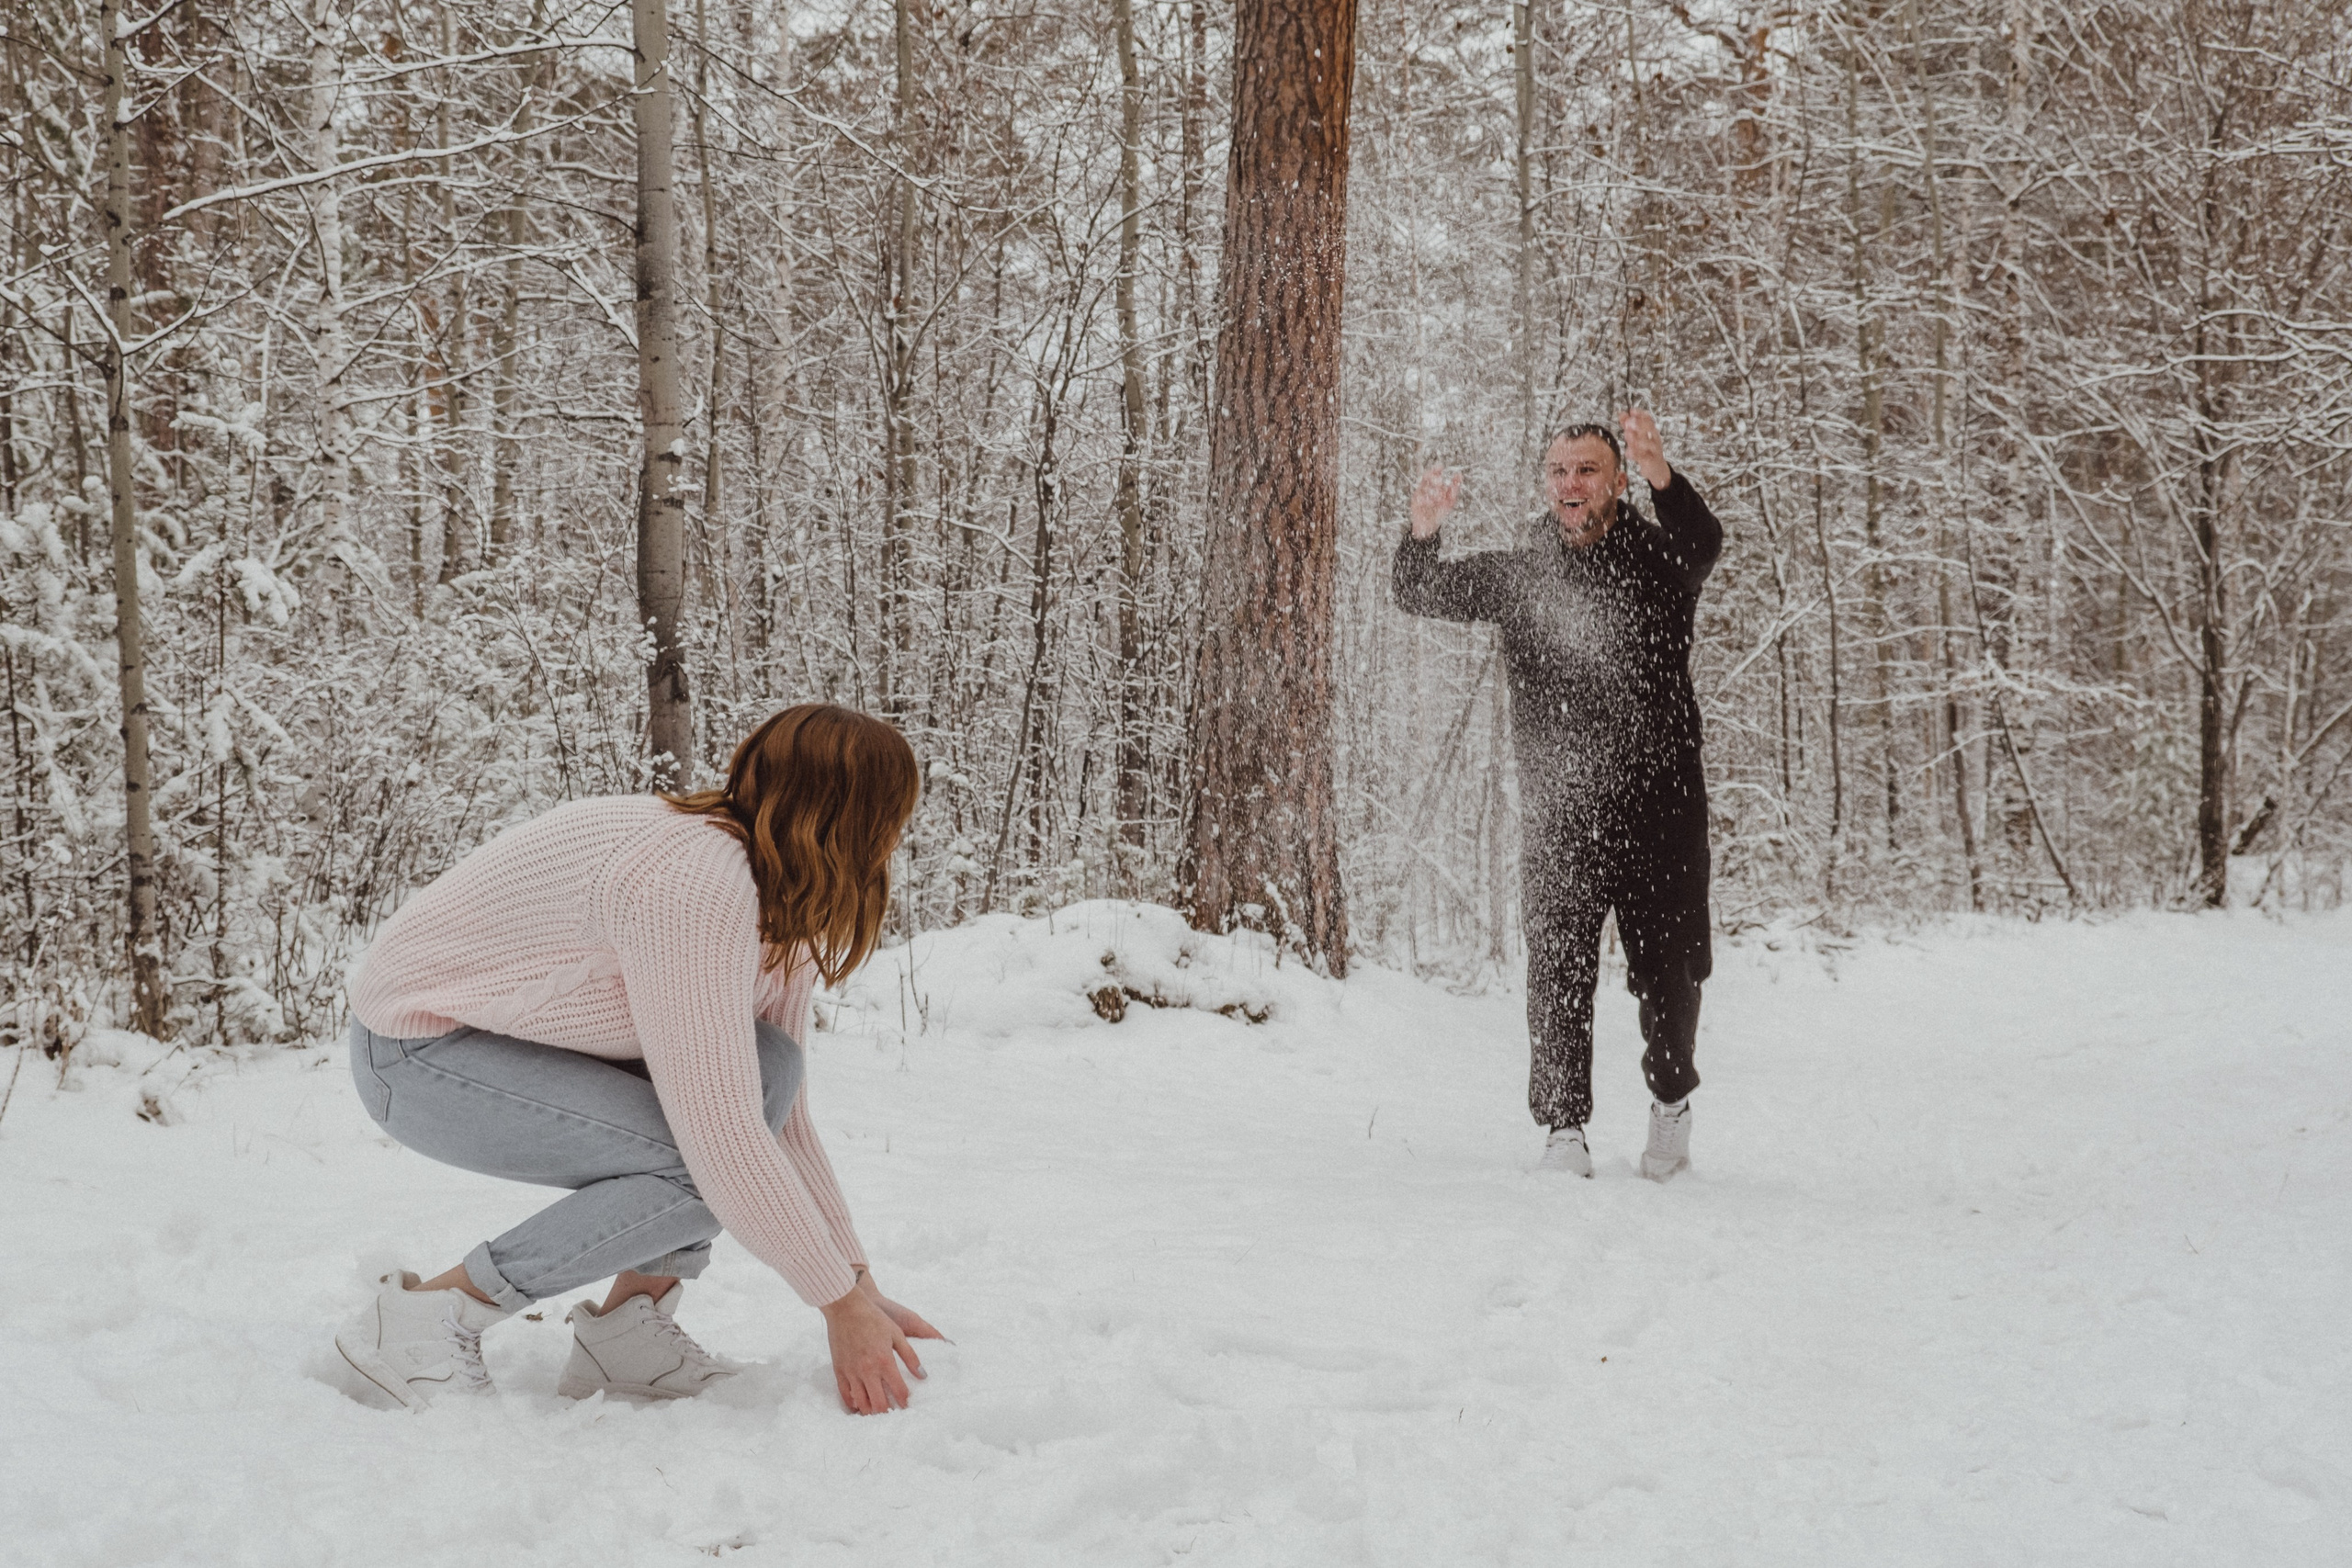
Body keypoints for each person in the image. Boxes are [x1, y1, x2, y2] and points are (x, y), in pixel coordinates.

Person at [334, 703, 943, 1414]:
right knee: (702, 1167)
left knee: (770, 1066)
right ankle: (426, 1317)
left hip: (508, 1044)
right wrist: (837, 1304)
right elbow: (724, 1145)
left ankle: (628, 1332)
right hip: (416, 1053)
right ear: (852, 818)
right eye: (893, 817)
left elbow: (784, 1118)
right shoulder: (696, 883)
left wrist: (858, 1281)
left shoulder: (780, 900)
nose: (897, 838)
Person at [1394, 412, 1724, 1180]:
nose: (1570, 485)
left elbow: (1703, 547)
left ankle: (1670, 1102)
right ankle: (1564, 1128)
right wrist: (1423, 530)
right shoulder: (1524, 573)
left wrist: (1665, 478)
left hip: (1662, 806)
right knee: (1559, 970)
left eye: (1586, 470)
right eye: (1558, 472)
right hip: (1562, 810)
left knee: (1673, 971)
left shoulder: (1659, 558)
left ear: (1615, 481)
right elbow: (1419, 589)